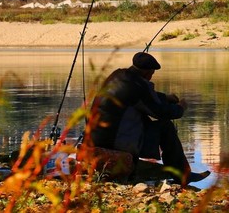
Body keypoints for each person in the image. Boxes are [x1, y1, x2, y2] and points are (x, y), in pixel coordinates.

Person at [88, 52, 210, 185]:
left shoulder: (118, 76)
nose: (151, 77)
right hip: (115, 141)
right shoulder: (139, 86)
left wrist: (165, 97)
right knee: (165, 126)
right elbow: (161, 112)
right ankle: (182, 175)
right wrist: (181, 107)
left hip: (97, 137)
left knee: (140, 116)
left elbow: (146, 97)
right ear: (147, 73)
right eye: (152, 73)